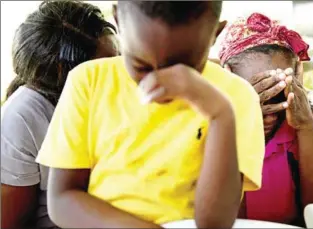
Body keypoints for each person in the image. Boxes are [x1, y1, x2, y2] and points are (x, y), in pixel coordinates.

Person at [35, 1, 266, 228]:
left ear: (215, 33)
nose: (158, 80)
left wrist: (220, 115)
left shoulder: (235, 96)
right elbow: (62, 199)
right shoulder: (88, 81)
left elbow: (214, 223)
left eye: (183, 67)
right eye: (141, 66)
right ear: (118, 21)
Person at [218, 13, 313, 228]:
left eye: (279, 96)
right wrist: (243, 127)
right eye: (260, 97)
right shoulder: (212, 128)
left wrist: (306, 126)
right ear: (227, 78)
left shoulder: (300, 129)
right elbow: (224, 220)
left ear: (298, 76)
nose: (272, 114)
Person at [1, 1, 120, 228]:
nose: (122, 70)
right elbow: (11, 222)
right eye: (106, 68)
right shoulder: (23, 118)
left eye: (120, 56)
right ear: (65, 80)